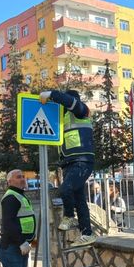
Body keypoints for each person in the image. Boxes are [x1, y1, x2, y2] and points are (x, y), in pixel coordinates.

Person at [40, 89, 96, 246]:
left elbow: (69, 102)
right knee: (79, 200)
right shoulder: (63, 118)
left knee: (65, 189)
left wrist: (52, 94)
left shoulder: (82, 111)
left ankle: (69, 216)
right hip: (68, 163)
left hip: (82, 161)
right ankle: (87, 233)